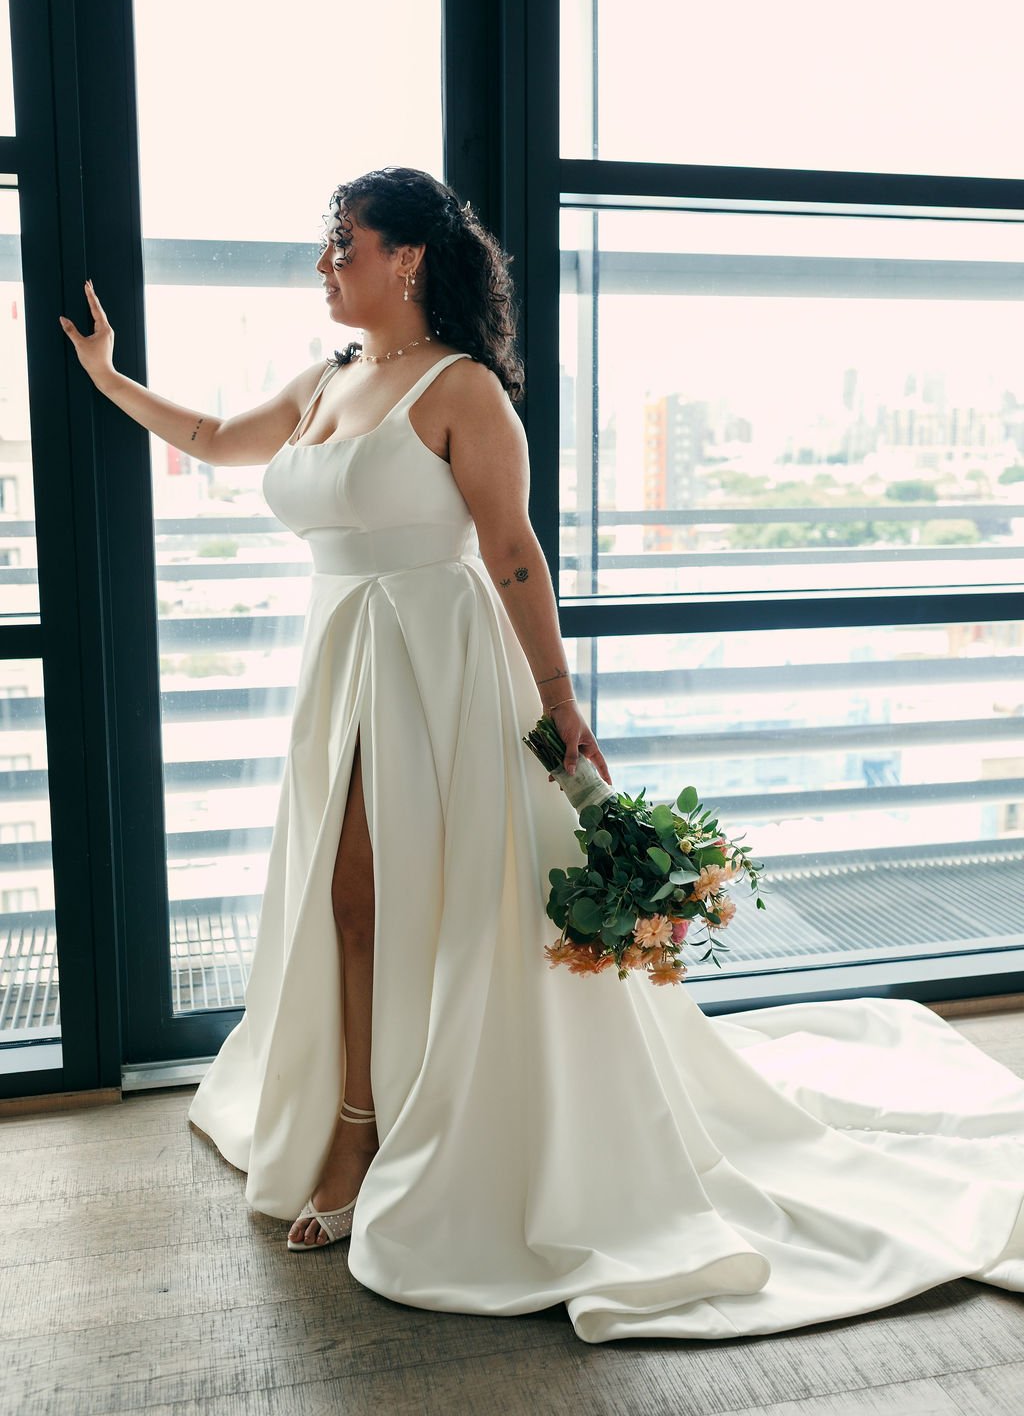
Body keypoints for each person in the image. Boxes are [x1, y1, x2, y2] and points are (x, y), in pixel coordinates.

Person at [59, 167, 1024, 1343]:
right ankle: (358, 1117)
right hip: (347, 666)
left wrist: (561, 707)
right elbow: (214, 438)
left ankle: (400, 1134)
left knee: (437, 903)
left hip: (445, 672)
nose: (326, 266)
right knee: (349, 901)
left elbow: (512, 555)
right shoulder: (329, 380)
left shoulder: (463, 391)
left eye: (343, 245)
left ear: (408, 258)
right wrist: (109, 376)